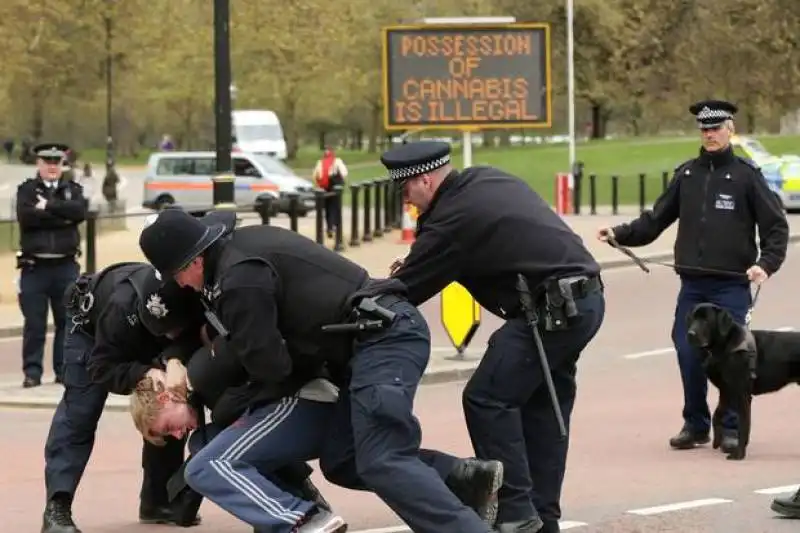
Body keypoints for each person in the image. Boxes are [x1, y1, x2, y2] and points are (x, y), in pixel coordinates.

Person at [138, 208, 504, 533]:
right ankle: (463, 480)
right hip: (361, 348)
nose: (181, 287)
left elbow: (270, 365)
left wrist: (223, 385)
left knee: (382, 458)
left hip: (383, 338)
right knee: (345, 460)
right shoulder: (237, 254)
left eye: (177, 277)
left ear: (193, 263)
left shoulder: (239, 278)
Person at [381, 141, 605, 533]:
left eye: (407, 190)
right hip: (579, 303)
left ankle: (516, 512)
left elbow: (405, 290)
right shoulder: (483, 178)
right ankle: (542, 520)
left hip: (550, 313)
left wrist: (358, 293)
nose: (406, 200)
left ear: (427, 180)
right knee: (541, 412)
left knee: (487, 398)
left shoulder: (453, 217)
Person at [596, 99, 789, 454]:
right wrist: (620, 233)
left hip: (732, 285)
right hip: (693, 287)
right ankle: (696, 423)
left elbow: (776, 227)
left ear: (730, 130)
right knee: (689, 351)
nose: (710, 135)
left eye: (716, 128)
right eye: (704, 129)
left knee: (733, 358)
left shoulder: (747, 176)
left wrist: (767, 263)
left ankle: (730, 428)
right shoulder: (687, 175)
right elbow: (655, 220)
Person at [41, 261, 204, 533]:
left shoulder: (189, 289)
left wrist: (174, 359)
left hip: (151, 335)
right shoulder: (120, 309)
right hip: (93, 333)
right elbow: (101, 367)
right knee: (81, 411)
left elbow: (194, 337)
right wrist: (145, 372)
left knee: (173, 408)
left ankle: (159, 501)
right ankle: (57, 508)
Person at [131, 345, 347, 533]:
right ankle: (305, 507)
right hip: (295, 407)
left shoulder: (200, 373)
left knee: (204, 466)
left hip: (306, 399)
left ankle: (303, 519)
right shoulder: (203, 394)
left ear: (165, 397)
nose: (177, 434)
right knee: (203, 444)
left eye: (169, 427)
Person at [16, 143, 87, 388]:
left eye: (57, 162)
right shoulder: (27, 190)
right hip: (35, 267)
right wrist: (62, 218)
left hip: (65, 265)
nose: (52, 166)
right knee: (34, 323)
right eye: (47, 161)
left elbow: (79, 212)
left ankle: (62, 370)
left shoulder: (72, 189)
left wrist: (47, 207)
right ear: (39, 164)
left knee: (66, 321)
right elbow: (27, 218)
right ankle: (32, 372)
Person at [312, 148, 348, 238]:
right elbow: (344, 173)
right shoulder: (337, 161)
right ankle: (335, 226)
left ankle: (329, 227)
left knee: (327, 208)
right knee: (335, 207)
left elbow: (315, 175)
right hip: (335, 187)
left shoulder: (319, 162)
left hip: (324, 189)